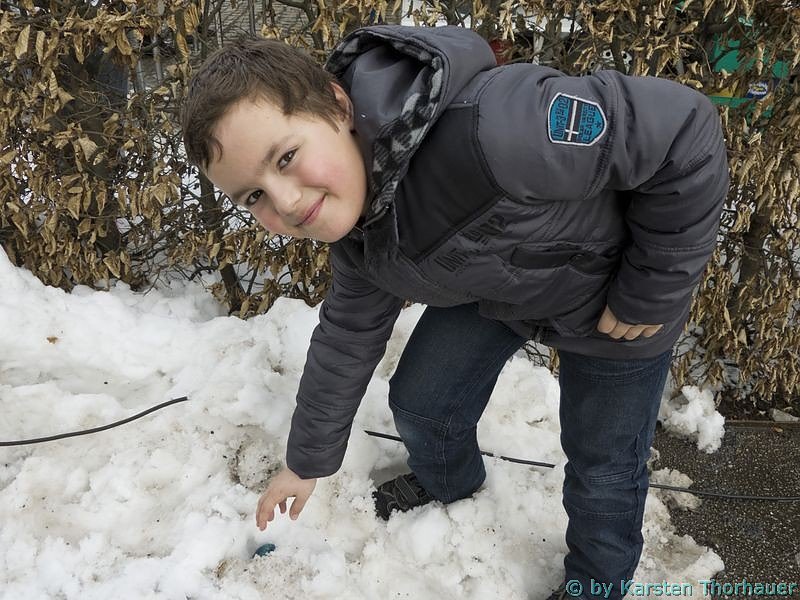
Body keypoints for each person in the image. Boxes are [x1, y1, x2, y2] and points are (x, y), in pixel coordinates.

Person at [181, 25, 729, 600]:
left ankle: (597, 583)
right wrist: (306, 463)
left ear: (336, 105)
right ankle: (452, 486)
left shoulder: (496, 129)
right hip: (507, 295)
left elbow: (683, 130)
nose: (286, 202)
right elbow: (345, 338)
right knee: (423, 404)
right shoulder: (360, 233)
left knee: (604, 472)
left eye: (286, 157)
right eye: (254, 197)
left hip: (617, 303)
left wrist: (650, 290)